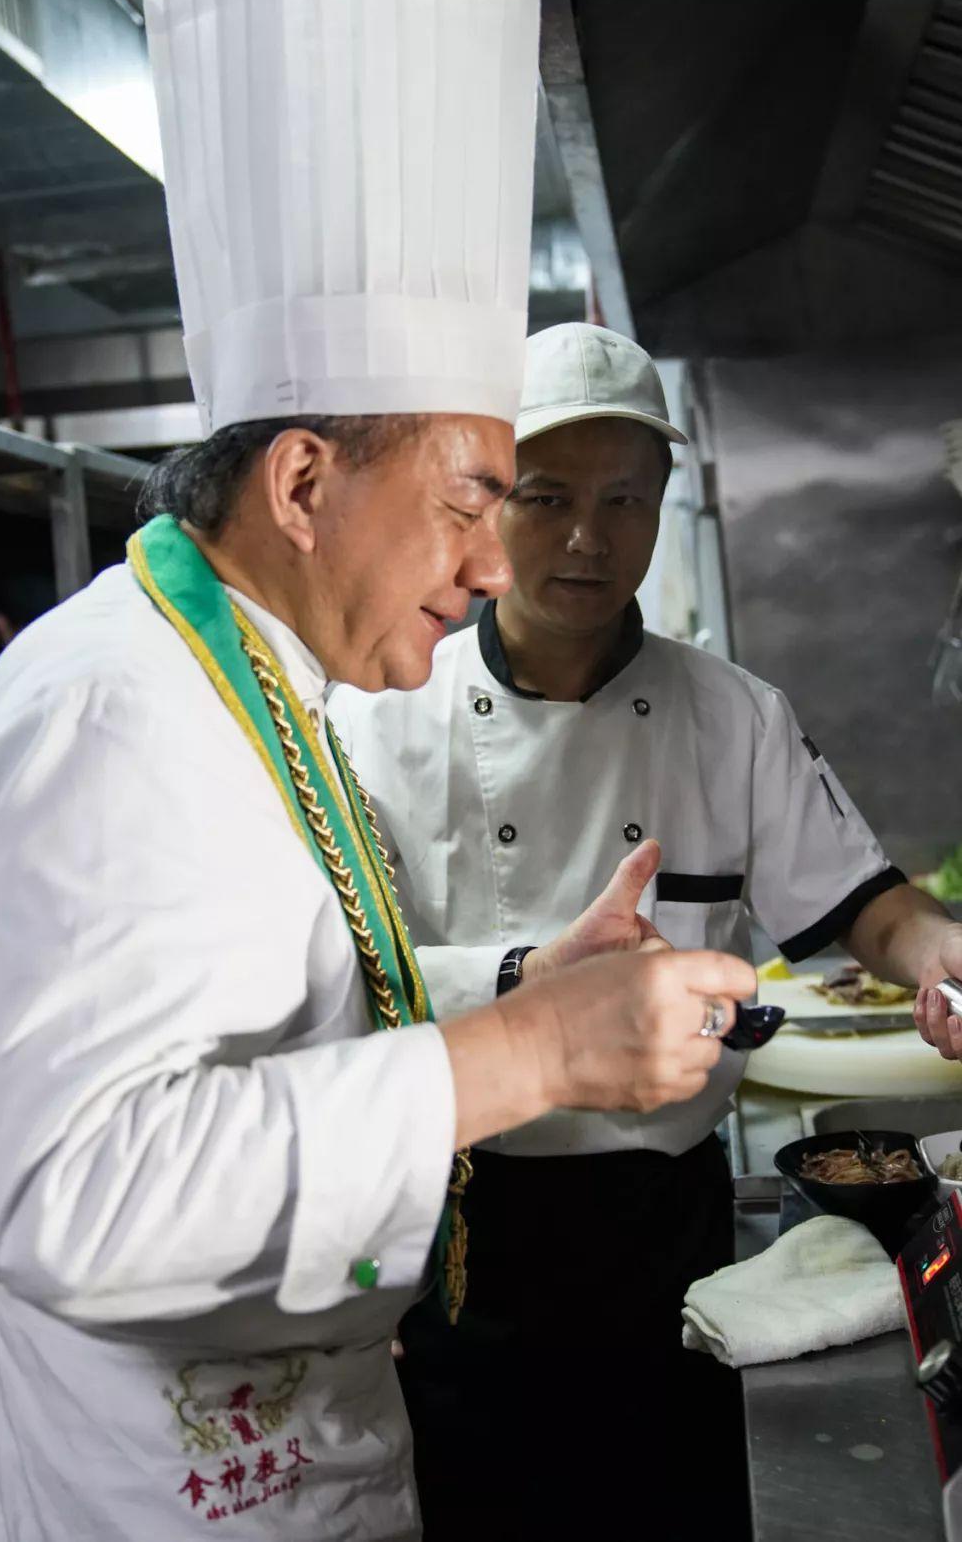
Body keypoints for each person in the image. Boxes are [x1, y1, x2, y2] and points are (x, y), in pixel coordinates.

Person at [0, 0, 754, 1542]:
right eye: (474, 500)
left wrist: (521, 982)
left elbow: (275, 1008)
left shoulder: (260, 690)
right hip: (134, 1491)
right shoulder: (111, 720)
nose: (502, 566)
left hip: (292, 1446)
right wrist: (539, 1057)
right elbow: (90, 1185)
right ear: (301, 485)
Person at [329, 320, 962, 1542]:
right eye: (547, 494)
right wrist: (528, 980)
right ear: (486, 502)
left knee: (671, 1507)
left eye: (625, 497)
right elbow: (344, 979)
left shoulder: (732, 715)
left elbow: (871, 904)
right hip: (455, 1224)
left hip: (662, 1235)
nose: (586, 535)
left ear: (663, 503)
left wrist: (937, 950)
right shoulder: (384, 717)